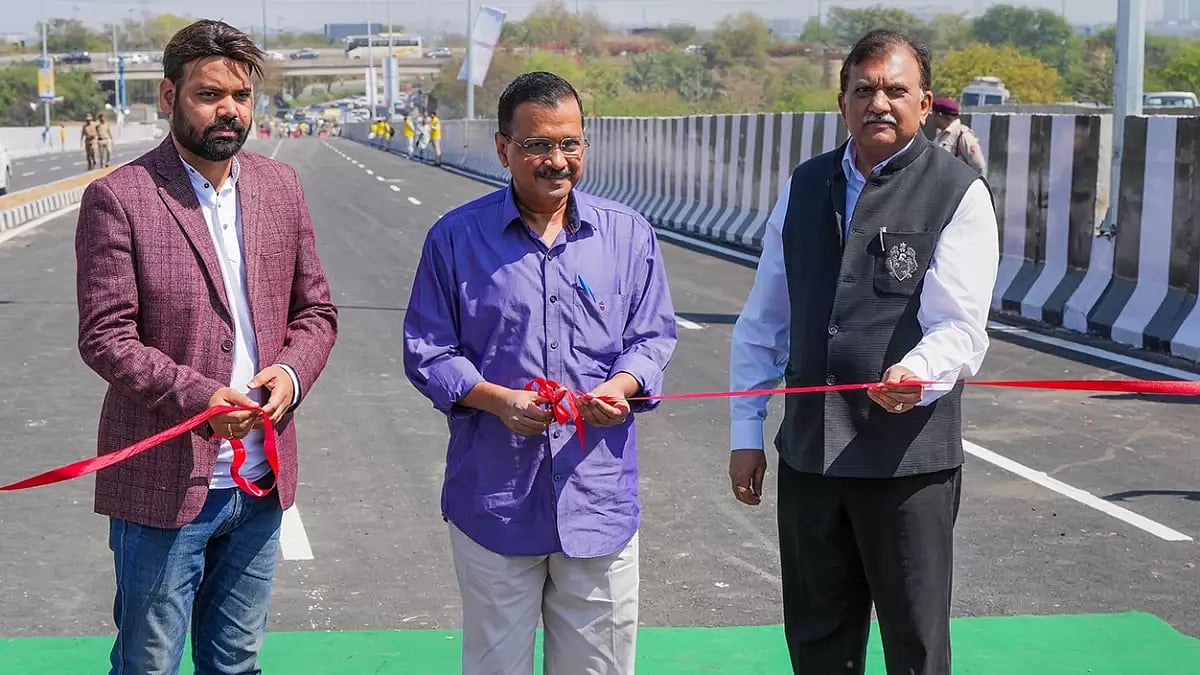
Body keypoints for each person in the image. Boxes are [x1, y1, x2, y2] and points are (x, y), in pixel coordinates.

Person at [728, 30, 999, 675]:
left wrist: (920, 371)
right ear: (841, 101)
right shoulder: (804, 185)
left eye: (896, 90)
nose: (879, 102)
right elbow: (765, 318)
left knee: (916, 647)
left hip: (906, 466)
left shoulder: (956, 192)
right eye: (864, 89)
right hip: (809, 462)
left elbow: (961, 327)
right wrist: (746, 432)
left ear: (925, 103)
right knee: (818, 643)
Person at [74, 19, 338, 675]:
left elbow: (317, 311)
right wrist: (199, 397)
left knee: (236, 661)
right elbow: (106, 335)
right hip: (165, 482)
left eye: (241, 96)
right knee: (149, 661)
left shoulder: (281, 187)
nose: (229, 110)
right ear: (169, 97)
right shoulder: (119, 198)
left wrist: (290, 374)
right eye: (209, 94)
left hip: (259, 480)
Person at [403, 71, 677, 675]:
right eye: (537, 146)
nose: (557, 161)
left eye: (570, 143)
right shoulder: (455, 239)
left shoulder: (627, 235)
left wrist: (620, 387)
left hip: (596, 500)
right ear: (504, 148)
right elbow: (427, 350)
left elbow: (652, 337)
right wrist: (498, 400)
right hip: (495, 499)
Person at [931, 96, 986, 175]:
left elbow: (979, 166)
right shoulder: (941, 135)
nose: (932, 118)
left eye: (933, 114)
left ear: (939, 115)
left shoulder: (963, 135)